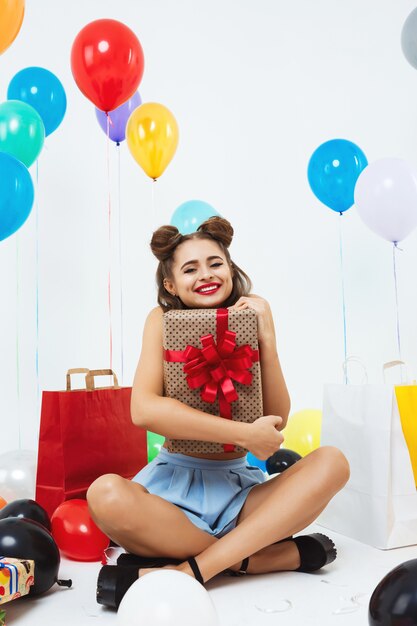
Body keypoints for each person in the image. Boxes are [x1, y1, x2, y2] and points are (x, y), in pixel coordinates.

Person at [87, 216, 350, 609]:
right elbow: (143, 410)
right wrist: (243, 435)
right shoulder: (160, 320)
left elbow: (276, 420)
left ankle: (191, 571)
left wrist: (268, 341)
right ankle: (255, 558)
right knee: (103, 493)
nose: (206, 274)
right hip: (170, 498)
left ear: (231, 268)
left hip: (241, 495)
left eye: (215, 263)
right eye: (190, 269)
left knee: (333, 461)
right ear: (170, 285)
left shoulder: (251, 314)